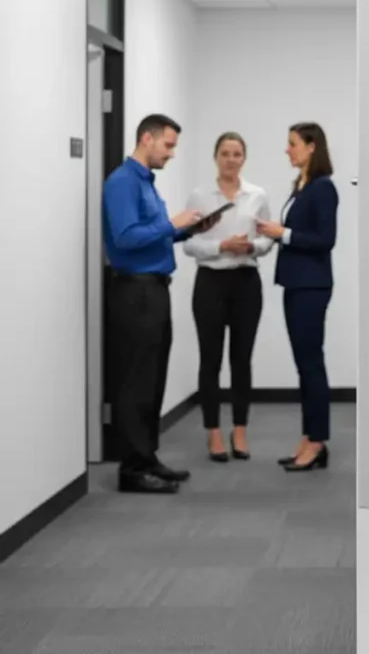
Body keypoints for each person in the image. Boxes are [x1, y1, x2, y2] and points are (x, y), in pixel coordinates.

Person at [102, 113, 216, 494]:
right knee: (136, 380)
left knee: (153, 378)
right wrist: (172, 223)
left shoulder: (147, 184)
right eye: (168, 145)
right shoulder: (122, 182)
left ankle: (147, 457)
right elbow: (127, 237)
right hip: (134, 293)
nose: (171, 154)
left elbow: (152, 237)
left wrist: (187, 230)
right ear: (146, 139)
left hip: (154, 290)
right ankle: (132, 471)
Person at [183, 132, 273, 463]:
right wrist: (221, 246)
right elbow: (189, 244)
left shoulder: (257, 195)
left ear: (244, 159)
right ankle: (214, 434)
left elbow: (267, 239)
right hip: (210, 284)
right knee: (210, 360)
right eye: (224, 153)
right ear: (215, 157)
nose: (231, 159)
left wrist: (251, 246)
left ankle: (239, 431)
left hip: (246, 283)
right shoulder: (200, 195)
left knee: (241, 360)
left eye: (236, 154)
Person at [256, 122, 338, 472]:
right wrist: (273, 234)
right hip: (296, 283)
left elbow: (325, 239)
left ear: (311, 146)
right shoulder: (301, 187)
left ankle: (317, 442)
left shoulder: (323, 188)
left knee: (311, 365)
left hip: (311, 286)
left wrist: (283, 233)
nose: (287, 150)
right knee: (305, 365)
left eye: (292, 144)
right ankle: (309, 438)